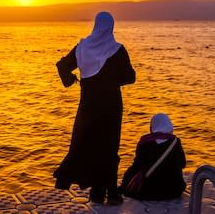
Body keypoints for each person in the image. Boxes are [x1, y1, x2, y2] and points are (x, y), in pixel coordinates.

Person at [53, 11, 136, 205]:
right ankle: (112, 194)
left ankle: (97, 193)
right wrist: (113, 79)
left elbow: (62, 66)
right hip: (111, 107)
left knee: (88, 145)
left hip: (88, 107)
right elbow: (130, 77)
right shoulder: (117, 50)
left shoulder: (82, 48)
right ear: (111, 27)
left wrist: (71, 79)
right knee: (109, 147)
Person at [119, 113, 187, 200]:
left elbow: (137, 166)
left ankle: (122, 189)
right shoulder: (175, 142)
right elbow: (183, 164)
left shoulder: (144, 143)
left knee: (131, 170)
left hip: (148, 192)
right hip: (173, 191)